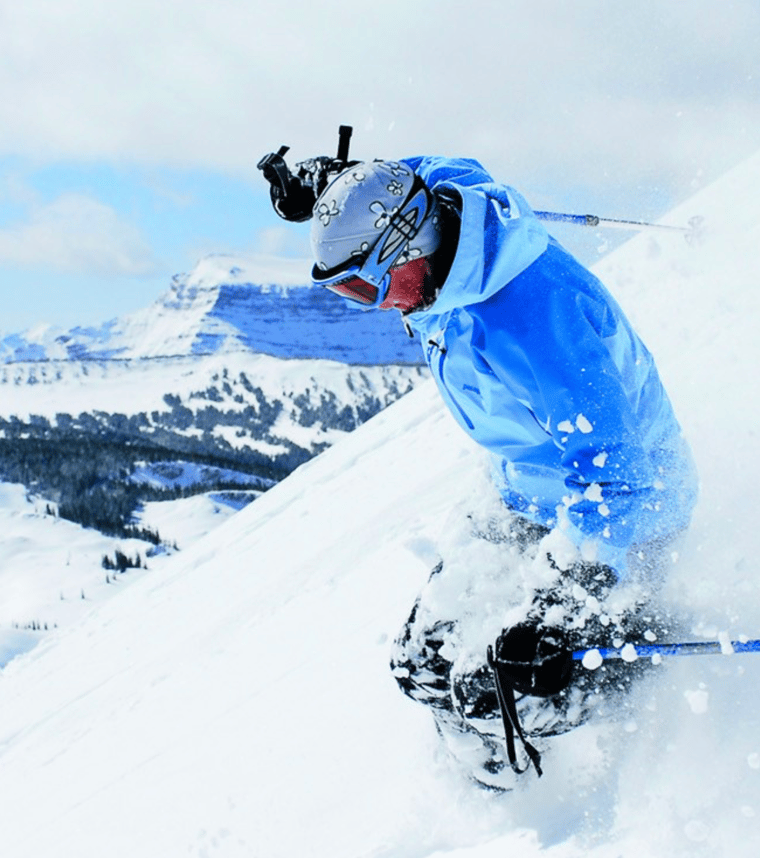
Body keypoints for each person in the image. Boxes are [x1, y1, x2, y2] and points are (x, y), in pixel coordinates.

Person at [259, 145, 697, 790]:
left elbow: (620, 477)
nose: (376, 305)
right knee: (423, 666)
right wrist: (330, 188)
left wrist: (559, 611)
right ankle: (483, 784)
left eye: (369, 284)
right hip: (523, 496)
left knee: (501, 690)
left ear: (409, 243)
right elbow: (425, 171)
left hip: (621, 520)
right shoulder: (444, 208)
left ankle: (635, 657)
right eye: (347, 291)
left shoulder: (534, 326)